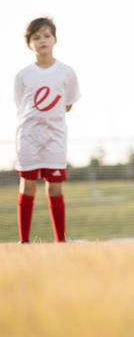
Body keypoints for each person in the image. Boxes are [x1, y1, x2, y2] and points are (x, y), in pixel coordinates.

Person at [14, 17, 80, 243]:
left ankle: (60, 241)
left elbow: (68, 104)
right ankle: (24, 240)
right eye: (36, 37)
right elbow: (21, 106)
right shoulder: (23, 75)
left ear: (54, 39)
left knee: (55, 188)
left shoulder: (66, 72)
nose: (42, 40)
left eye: (46, 36)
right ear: (29, 44)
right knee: (28, 185)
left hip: (55, 139)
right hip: (29, 138)